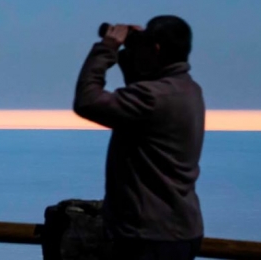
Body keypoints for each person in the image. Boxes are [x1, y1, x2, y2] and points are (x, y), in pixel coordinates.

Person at [73, 15, 205, 260]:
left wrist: (108, 47)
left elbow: (87, 101)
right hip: (181, 230)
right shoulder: (188, 89)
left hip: (148, 237)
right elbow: (139, 96)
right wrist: (132, 52)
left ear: (155, 49)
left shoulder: (153, 98)